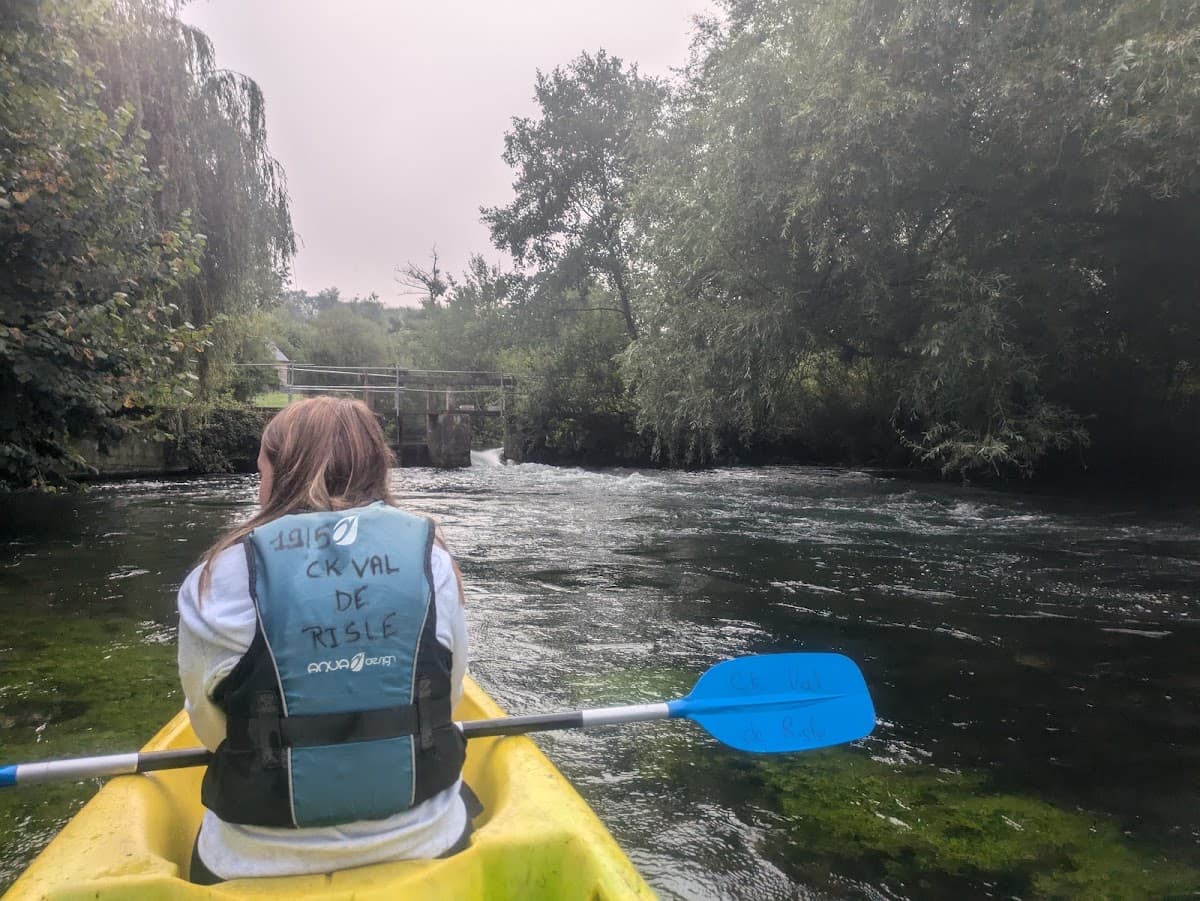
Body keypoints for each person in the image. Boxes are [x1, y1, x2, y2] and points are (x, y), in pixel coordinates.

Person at [176, 396, 470, 883]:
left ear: (281, 474)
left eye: (261, 470)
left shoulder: (215, 578)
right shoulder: (433, 561)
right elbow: (450, 697)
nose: (259, 484)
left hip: (253, 859)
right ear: (376, 468)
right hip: (425, 840)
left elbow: (210, 730)